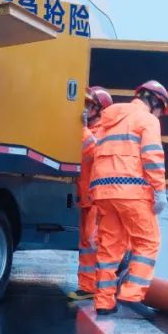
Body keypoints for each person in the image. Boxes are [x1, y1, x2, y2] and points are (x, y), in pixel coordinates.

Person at [89, 80, 168, 316]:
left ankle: (104, 303)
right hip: (132, 192)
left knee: (109, 249)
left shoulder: (110, 120)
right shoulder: (147, 120)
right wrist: (159, 191)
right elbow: (152, 157)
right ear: (154, 101)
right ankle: (131, 293)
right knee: (148, 242)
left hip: (103, 192)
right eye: (160, 109)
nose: (159, 114)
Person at [69, 87, 113, 302]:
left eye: (90, 105)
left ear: (100, 109)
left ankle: (103, 289)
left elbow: (91, 152)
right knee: (86, 244)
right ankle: (87, 287)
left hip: (97, 197)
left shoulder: (101, 132)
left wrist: (83, 128)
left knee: (93, 241)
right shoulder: (90, 131)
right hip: (86, 197)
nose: (85, 108)